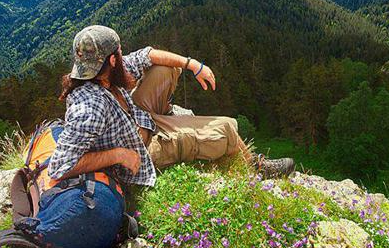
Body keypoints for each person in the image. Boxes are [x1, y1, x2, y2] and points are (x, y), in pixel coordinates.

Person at [47, 25, 294, 191]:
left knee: (165, 68)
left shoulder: (101, 75)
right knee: (228, 127)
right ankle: (257, 168)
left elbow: (148, 55)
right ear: (112, 60)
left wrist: (193, 65)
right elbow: (59, 167)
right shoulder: (90, 108)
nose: (123, 55)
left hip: (137, 119)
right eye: (119, 53)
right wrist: (119, 155)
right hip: (142, 149)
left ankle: (168, 115)